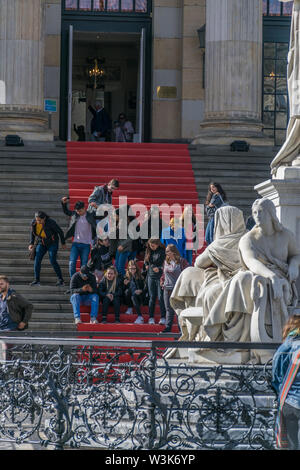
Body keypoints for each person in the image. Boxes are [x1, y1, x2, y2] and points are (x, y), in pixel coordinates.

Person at [202, 198, 300, 346]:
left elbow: (295, 254)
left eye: (261, 212)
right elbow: (251, 262)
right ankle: (234, 338)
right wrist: (271, 275)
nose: (257, 216)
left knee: (245, 279)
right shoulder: (248, 238)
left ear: (271, 213)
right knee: (244, 278)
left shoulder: (286, 235)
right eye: (254, 212)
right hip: (261, 275)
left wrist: (293, 265)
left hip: (282, 278)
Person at [272, 314, 300, 450]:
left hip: (290, 401)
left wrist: (281, 391)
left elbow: (276, 376)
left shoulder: (285, 347)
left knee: (293, 445)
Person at [28, 211, 67, 287]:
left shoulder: (51, 222)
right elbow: (32, 233)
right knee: (37, 260)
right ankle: (37, 280)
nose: (38, 222)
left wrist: (63, 243)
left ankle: (61, 280)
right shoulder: (34, 222)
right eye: (37, 220)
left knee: (52, 260)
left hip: (52, 243)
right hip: (41, 242)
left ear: (44, 218)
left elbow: (60, 232)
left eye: (40, 220)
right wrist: (31, 243)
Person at [61, 197, 96, 278]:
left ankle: (81, 283)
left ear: (84, 208)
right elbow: (66, 211)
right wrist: (63, 203)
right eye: (77, 211)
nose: (78, 213)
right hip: (75, 243)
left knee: (83, 265)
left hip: (86, 245)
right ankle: (73, 281)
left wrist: (97, 207)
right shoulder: (75, 214)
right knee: (72, 263)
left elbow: (103, 215)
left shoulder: (91, 215)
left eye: (80, 211)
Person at [160, 245, 189, 333]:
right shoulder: (166, 262)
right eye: (166, 251)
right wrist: (162, 281)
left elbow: (186, 273)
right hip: (167, 288)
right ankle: (168, 327)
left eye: (168, 251)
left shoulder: (181, 261)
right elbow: (164, 274)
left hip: (177, 288)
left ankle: (181, 329)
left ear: (173, 251)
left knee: (178, 309)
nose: (166, 253)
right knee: (168, 309)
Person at [144, 239, 166, 325]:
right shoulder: (148, 250)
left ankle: (163, 317)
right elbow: (146, 261)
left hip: (160, 276)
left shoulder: (162, 251)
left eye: (153, 245)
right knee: (152, 297)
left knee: (161, 297)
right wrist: (146, 265)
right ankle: (151, 317)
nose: (151, 247)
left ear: (157, 244)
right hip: (150, 276)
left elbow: (165, 263)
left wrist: (159, 268)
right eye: (150, 245)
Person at [124, 260, 148, 324]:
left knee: (133, 296)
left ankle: (140, 317)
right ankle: (130, 307)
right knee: (127, 292)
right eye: (131, 268)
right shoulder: (125, 277)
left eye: (134, 268)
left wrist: (141, 290)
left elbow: (145, 288)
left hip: (139, 296)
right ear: (128, 268)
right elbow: (122, 289)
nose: (132, 270)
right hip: (129, 297)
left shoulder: (141, 276)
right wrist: (125, 284)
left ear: (136, 268)